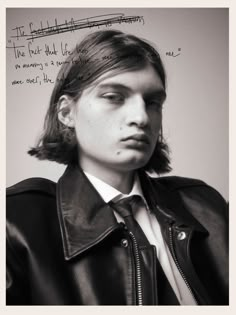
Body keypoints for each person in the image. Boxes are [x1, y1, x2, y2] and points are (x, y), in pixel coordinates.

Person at [6, 30, 228, 305]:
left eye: (152, 102)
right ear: (66, 113)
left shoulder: (208, 208)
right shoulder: (15, 222)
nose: (141, 117)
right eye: (114, 96)